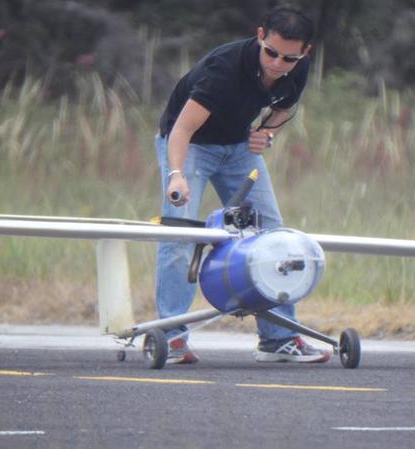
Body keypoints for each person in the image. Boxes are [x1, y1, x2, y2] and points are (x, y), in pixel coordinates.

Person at [153, 6, 331, 365]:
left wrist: (266, 134)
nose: (279, 63)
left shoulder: (298, 68)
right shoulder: (224, 68)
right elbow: (182, 129)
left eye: (290, 58)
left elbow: (284, 108)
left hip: (237, 149)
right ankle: (170, 338)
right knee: (181, 235)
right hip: (192, 146)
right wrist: (176, 175)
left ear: (305, 53)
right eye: (272, 52)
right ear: (260, 35)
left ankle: (278, 340)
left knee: (275, 237)